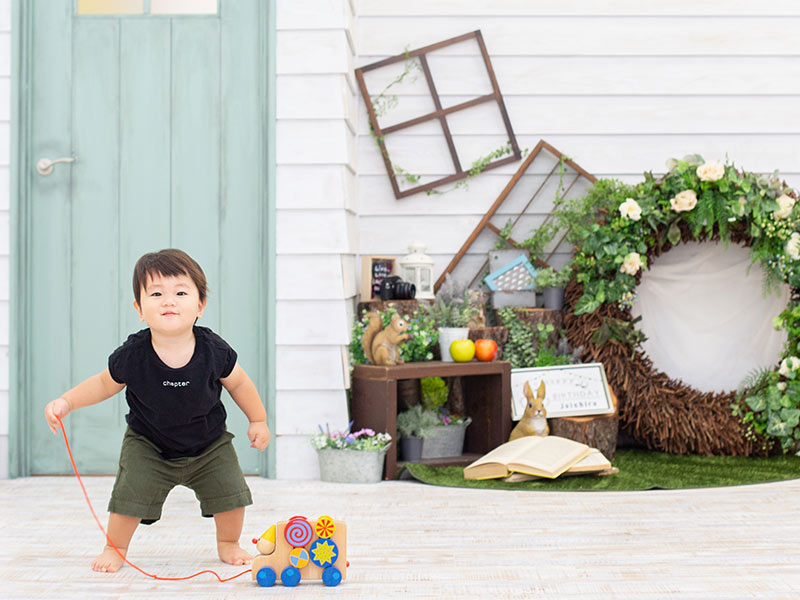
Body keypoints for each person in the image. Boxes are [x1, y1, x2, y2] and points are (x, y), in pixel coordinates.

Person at [44, 249, 270, 573]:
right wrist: (66, 402)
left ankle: (228, 542)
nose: (169, 301)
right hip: (148, 444)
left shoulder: (213, 349)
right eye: (156, 294)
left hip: (209, 443)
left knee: (232, 494)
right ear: (139, 308)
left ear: (200, 305)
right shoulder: (133, 354)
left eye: (180, 292)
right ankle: (115, 546)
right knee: (127, 497)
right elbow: (103, 384)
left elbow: (240, 384)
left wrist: (257, 419)